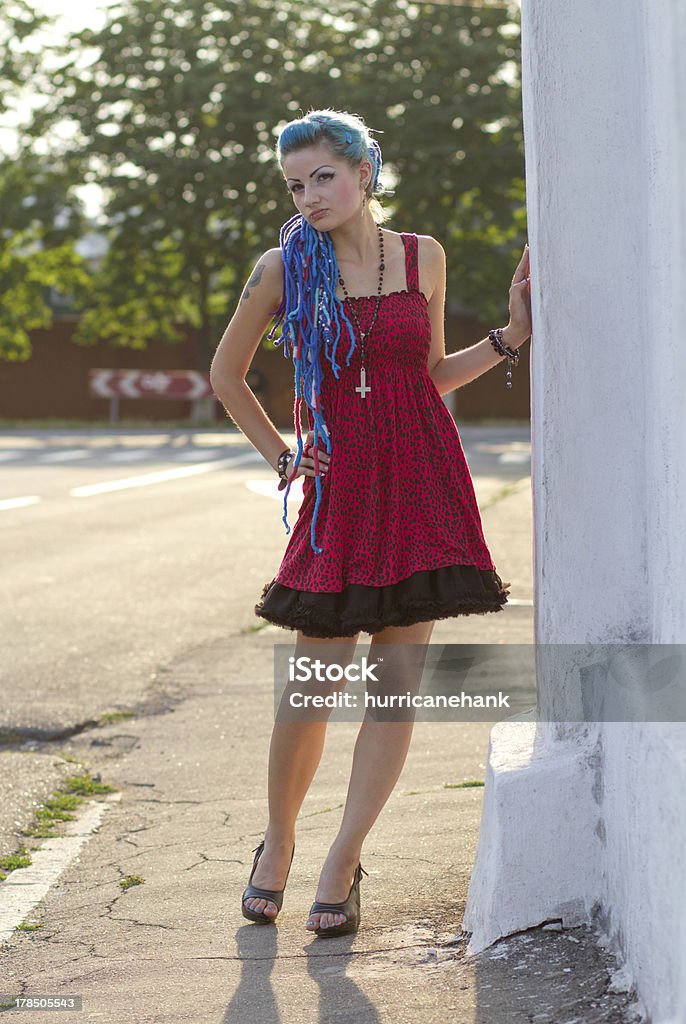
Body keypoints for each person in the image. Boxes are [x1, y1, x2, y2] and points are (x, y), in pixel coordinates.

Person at [209, 108, 532, 938]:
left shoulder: (422, 256)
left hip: (421, 479)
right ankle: (277, 843)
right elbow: (226, 373)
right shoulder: (284, 266)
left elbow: (428, 375)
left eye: (322, 176)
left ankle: (343, 859)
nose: (309, 196)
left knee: (393, 694)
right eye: (294, 184)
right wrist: (284, 458)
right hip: (340, 492)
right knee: (310, 691)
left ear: (364, 173)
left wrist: (508, 338)